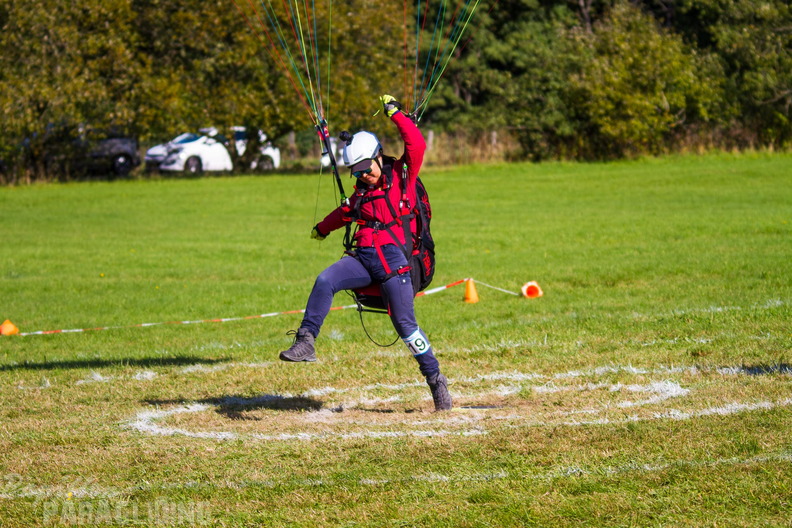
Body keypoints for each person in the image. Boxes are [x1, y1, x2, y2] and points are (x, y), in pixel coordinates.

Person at [279, 94, 452, 412]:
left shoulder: (402, 177)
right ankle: (306, 341)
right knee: (325, 280)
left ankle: (435, 379)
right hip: (363, 259)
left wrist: (395, 114)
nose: (363, 176)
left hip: (395, 267)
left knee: (406, 326)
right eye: (356, 172)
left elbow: (416, 144)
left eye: (365, 169)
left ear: (378, 156)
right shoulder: (360, 195)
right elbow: (343, 213)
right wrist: (322, 228)